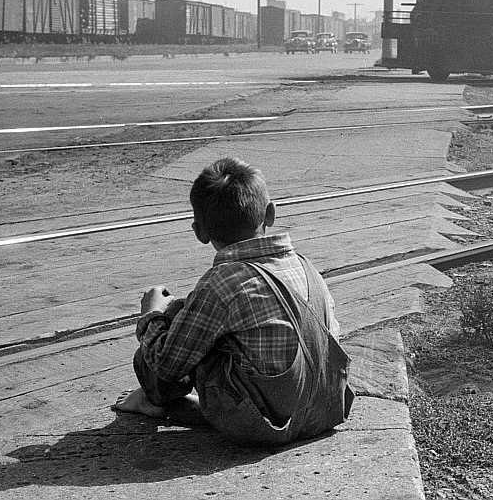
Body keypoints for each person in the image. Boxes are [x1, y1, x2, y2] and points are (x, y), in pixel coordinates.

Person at [113, 157, 353, 445]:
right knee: (199, 316)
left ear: (200, 232)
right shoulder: (305, 265)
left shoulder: (222, 283)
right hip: (323, 410)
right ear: (271, 214)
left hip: (265, 426)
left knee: (169, 335)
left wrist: (151, 315)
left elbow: (167, 364)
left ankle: (153, 401)